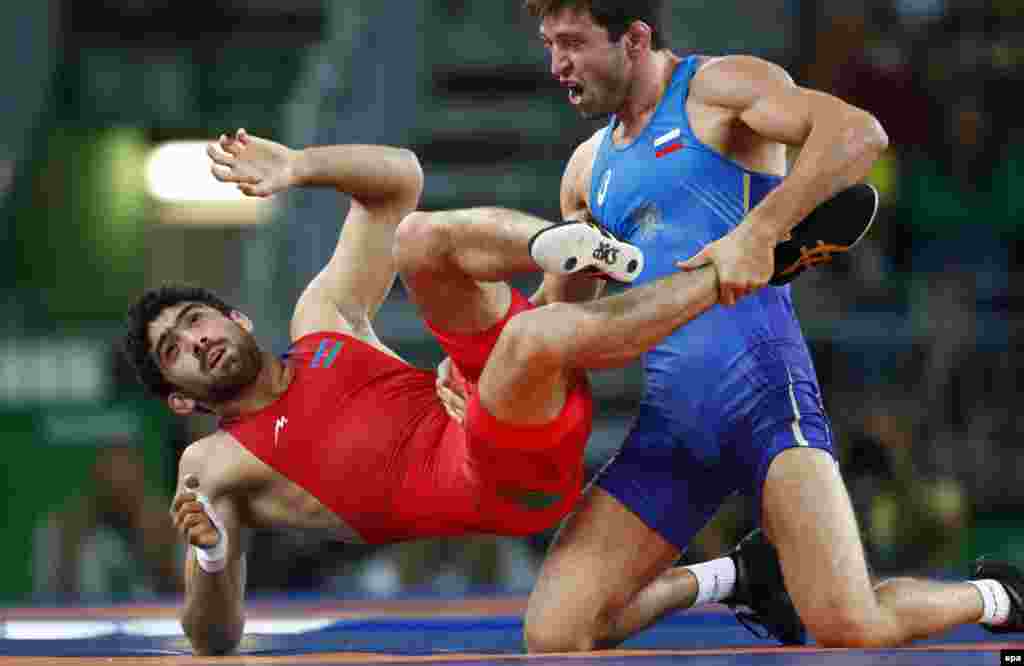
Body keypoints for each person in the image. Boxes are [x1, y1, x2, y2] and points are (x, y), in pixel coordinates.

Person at [122, 127, 836, 655]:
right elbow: (214, 639)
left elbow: (397, 177)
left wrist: (299, 166)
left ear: (233, 314)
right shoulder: (212, 468)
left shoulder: (322, 318)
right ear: (179, 399)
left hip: (503, 402)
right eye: (173, 351)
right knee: (559, 636)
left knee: (418, 239)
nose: (196, 340)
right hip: (498, 474)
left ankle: (575, 246)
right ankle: (727, 276)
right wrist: (213, 557)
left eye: (194, 320)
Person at [518, 0, 1024, 651]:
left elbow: (860, 134)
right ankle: (731, 576)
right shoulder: (586, 171)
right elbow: (559, 312)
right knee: (556, 636)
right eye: (549, 45)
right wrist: (483, 362)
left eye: (572, 43)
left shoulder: (720, 90)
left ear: (635, 38)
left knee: (849, 625)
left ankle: (998, 597)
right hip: (672, 425)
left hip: (764, 401)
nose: (557, 64)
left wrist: (760, 232)